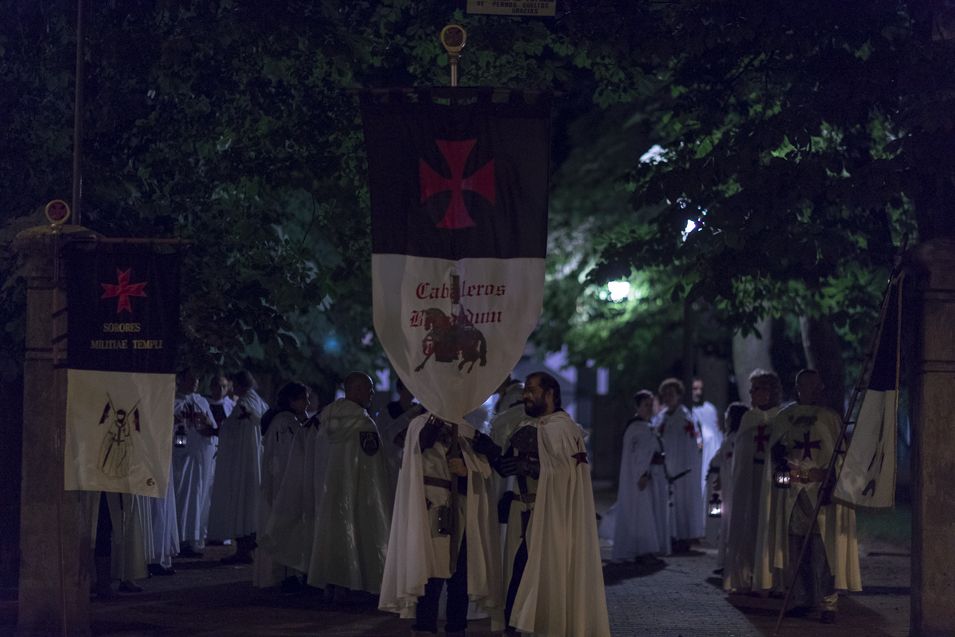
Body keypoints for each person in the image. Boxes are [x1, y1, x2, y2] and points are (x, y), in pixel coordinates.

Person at [495, 371, 610, 636]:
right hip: (529, 514)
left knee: (530, 579)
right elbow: (519, 455)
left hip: (553, 517)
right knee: (522, 578)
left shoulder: (561, 429)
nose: (526, 395)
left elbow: (564, 472)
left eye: (532, 390)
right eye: (525, 389)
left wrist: (531, 467)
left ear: (550, 394)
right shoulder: (539, 427)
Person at [379, 412, 505, 635]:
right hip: (430, 505)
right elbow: (416, 449)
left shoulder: (467, 429)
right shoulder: (420, 424)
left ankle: (456, 626)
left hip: (462, 508)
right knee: (431, 571)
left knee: (461, 571)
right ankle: (425, 625)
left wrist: (466, 471)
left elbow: (487, 464)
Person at [755, 369, 861, 623]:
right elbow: (775, 455)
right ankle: (801, 599)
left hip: (821, 494)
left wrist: (824, 475)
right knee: (795, 547)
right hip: (793, 493)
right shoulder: (785, 417)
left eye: (820, 386)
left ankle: (828, 603)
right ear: (800, 387)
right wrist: (785, 470)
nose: (818, 390)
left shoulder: (830, 419)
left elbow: (842, 460)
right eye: (813, 386)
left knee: (823, 549)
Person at [307, 372, 393, 599]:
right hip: (356, 493)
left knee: (330, 534)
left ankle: (331, 584)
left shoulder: (325, 418)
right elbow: (374, 465)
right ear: (355, 391)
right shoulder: (363, 423)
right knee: (356, 532)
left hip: (327, 492)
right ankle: (352, 582)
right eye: (369, 389)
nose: (372, 393)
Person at [724, 369, 783, 593]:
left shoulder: (782, 418)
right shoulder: (748, 418)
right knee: (748, 528)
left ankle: (771, 579)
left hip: (771, 484)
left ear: (769, 391)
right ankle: (745, 577)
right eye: (751, 390)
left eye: (756, 389)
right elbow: (740, 455)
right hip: (749, 485)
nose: (751, 394)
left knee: (770, 526)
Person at [207, 370, 267, 564]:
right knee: (249, 502)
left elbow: (231, 427)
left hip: (244, 461)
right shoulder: (257, 400)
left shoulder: (244, 402)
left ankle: (244, 549)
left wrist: (217, 429)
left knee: (243, 502)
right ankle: (248, 545)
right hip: (251, 460)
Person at [599, 389, 665, 564]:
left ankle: (643, 548)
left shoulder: (644, 427)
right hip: (639, 476)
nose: (649, 408)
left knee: (643, 511)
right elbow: (638, 455)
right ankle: (640, 549)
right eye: (646, 405)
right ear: (638, 407)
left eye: (651, 405)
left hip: (644, 475)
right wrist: (642, 473)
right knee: (639, 511)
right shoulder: (636, 428)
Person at [652, 377, 704, 553]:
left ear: (678, 396)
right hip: (665, 466)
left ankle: (683, 537)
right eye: (665, 394)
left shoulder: (685, 418)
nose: (668, 397)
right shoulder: (660, 417)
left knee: (682, 502)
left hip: (681, 468)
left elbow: (691, 446)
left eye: (671, 394)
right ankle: (668, 536)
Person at [171, 368, 218, 558]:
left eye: (198, 378)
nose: (196, 382)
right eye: (191, 379)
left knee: (198, 497)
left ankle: (193, 539)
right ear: (181, 380)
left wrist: (206, 423)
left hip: (199, 458)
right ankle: (178, 539)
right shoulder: (173, 401)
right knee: (180, 496)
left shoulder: (201, 401)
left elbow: (211, 429)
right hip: (180, 458)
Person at [710, 402, 749, 575]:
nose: (726, 420)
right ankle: (724, 561)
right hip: (728, 488)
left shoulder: (738, 438)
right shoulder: (731, 438)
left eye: (728, 417)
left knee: (732, 525)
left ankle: (730, 562)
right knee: (726, 525)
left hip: (735, 488)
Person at [375, 377, 427, 482]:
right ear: (400, 389)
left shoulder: (421, 412)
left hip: (414, 461)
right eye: (408, 387)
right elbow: (382, 436)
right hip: (391, 463)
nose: (411, 391)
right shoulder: (388, 411)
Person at [692, 378, 723, 502]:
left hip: (713, 451)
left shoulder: (710, 408)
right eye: (695, 389)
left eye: (700, 389)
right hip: (699, 455)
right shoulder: (687, 411)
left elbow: (716, 431)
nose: (698, 392)